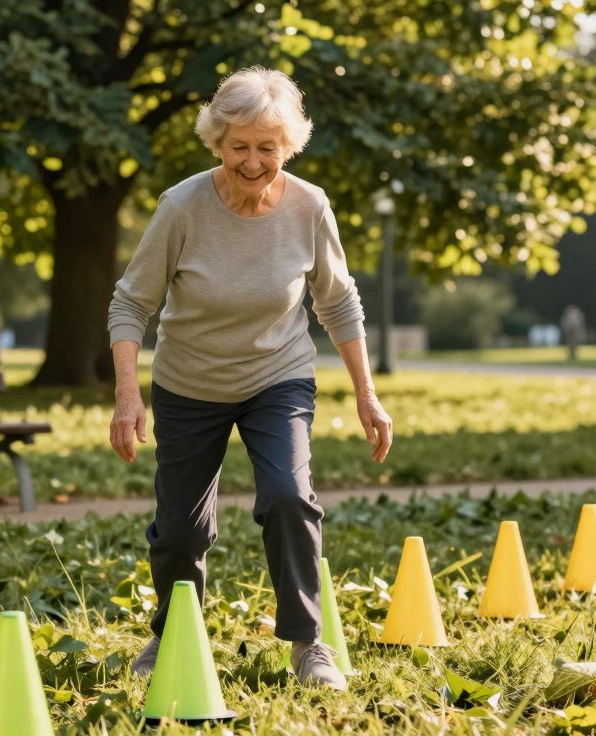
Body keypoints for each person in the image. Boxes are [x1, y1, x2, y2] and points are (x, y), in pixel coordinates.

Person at [106, 67, 392, 691]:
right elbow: (130, 303)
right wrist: (129, 396)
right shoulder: (181, 207)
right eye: (240, 146)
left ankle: (308, 645)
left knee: (290, 497)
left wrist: (367, 396)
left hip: (277, 376)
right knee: (181, 528)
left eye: (268, 147)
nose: (254, 161)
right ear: (217, 142)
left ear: (287, 146)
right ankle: (172, 633)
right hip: (188, 381)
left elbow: (338, 303)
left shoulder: (309, 206)